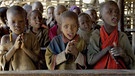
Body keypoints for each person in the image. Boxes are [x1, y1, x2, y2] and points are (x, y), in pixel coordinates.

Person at [87, 1, 135, 69]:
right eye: (110, 11)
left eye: (117, 12)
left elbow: (131, 64)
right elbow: (90, 61)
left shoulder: (122, 36)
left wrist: (124, 55)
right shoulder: (96, 35)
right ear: (101, 16)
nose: (115, 14)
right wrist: (107, 49)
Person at [0, 6, 40, 71]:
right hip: (12, 74)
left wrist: (24, 48)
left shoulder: (31, 37)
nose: (17, 25)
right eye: (13, 22)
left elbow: (37, 59)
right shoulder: (5, 39)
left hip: (30, 73)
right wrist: (14, 47)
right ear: (7, 23)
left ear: (25, 22)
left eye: (21, 21)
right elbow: (2, 61)